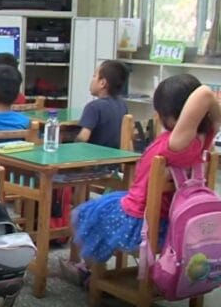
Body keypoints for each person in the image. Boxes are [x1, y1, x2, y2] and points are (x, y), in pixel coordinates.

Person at [67, 75, 220, 281]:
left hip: (142, 221)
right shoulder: (203, 140)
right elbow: (208, 104)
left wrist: (204, 97)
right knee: (104, 206)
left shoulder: (177, 145)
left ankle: (89, 271)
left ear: (168, 115)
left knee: (87, 213)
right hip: (172, 220)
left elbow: (205, 93)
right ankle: (89, 269)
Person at [76, 60, 130, 148]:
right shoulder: (122, 105)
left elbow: (83, 138)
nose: (92, 80)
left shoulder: (93, 107)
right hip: (116, 155)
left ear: (102, 83)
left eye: (94, 76)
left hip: (95, 155)